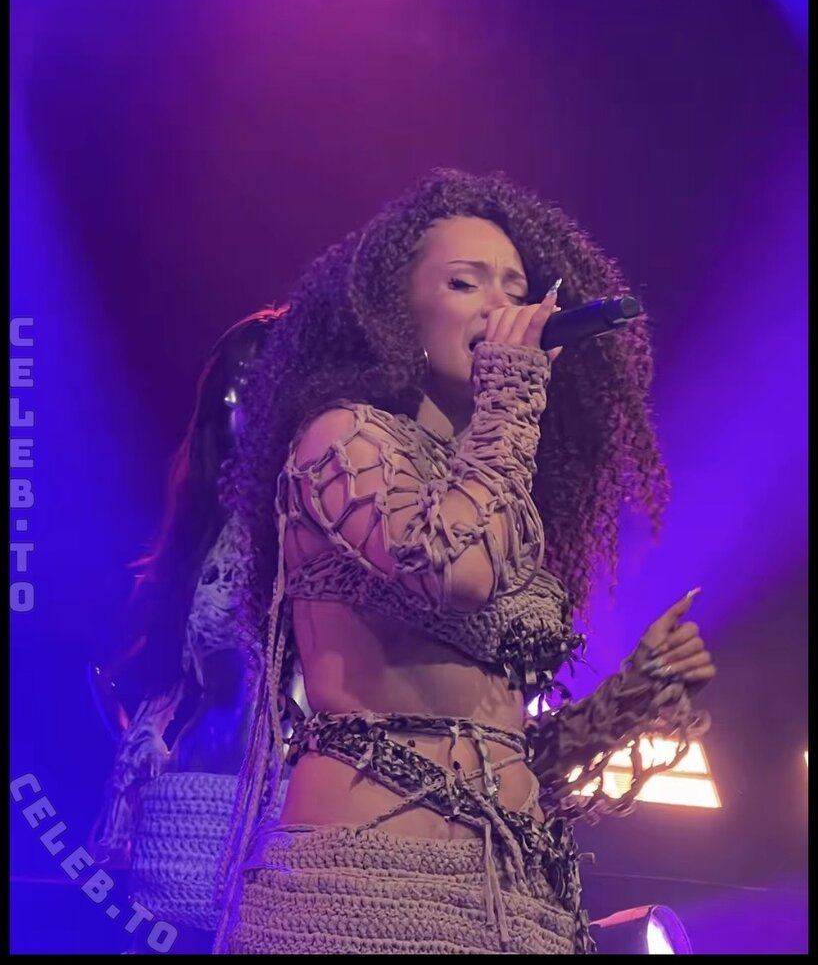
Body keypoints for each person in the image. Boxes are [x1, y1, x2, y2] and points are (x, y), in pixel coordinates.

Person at [212, 168, 715, 955]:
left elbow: (489, 751)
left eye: (516, 289)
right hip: (365, 889)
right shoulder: (342, 438)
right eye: (465, 282)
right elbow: (455, 571)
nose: (500, 307)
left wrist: (630, 696)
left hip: (512, 905)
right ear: (396, 313)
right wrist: (510, 396)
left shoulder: (493, 486)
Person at [90, 306, 289, 953]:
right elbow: (168, 669)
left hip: (290, 795)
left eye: (258, 389)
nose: (240, 410)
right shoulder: (210, 529)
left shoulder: (327, 514)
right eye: (229, 395)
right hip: (196, 801)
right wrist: (146, 747)